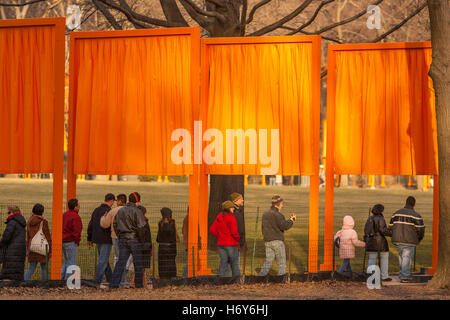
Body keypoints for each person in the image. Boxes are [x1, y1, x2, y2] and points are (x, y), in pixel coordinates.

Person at [110, 192, 147, 289]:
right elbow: (142, 227)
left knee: (120, 263)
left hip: (122, 239)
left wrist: (120, 236)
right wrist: (141, 240)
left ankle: (113, 284)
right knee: (138, 264)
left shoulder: (121, 211)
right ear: (137, 201)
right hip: (134, 240)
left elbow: (115, 224)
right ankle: (139, 286)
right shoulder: (137, 211)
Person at [389, 196, 425, 283]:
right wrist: (419, 239)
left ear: (405, 203)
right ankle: (404, 277)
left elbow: (390, 227)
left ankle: (402, 274)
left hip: (397, 239)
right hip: (410, 241)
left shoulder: (396, 213)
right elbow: (420, 230)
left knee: (402, 257)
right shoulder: (416, 216)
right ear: (414, 204)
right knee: (406, 257)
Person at [258, 196, 295, 276]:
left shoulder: (265, 214)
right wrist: (291, 220)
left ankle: (260, 277)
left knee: (268, 261)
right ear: (277, 205)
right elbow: (284, 226)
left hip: (267, 241)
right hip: (277, 241)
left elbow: (263, 227)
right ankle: (281, 280)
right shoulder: (278, 215)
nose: (282, 206)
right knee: (281, 263)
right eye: (281, 204)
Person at [100, 193, 130, 287]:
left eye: (117, 201)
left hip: (115, 237)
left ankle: (118, 281)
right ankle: (123, 280)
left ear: (120, 201)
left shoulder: (113, 211)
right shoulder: (129, 210)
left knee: (118, 258)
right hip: (127, 237)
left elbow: (105, 224)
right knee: (126, 259)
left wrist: (103, 217)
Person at [87, 193, 115, 285]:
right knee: (103, 260)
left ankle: (111, 279)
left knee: (104, 259)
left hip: (96, 238)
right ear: (111, 201)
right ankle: (97, 281)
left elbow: (90, 225)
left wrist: (89, 238)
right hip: (106, 239)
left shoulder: (96, 210)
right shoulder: (109, 211)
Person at [210, 201, 241, 277]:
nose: (233, 208)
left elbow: (212, 230)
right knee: (234, 264)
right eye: (232, 207)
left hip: (221, 244)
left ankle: (222, 281)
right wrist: (238, 239)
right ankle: (237, 280)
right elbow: (234, 232)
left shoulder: (219, 217)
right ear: (228, 208)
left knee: (223, 263)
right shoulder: (231, 217)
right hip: (231, 244)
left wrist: (220, 235)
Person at [364, 204, 392, 281]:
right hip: (380, 242)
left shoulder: (369, 218)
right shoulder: (380, 218)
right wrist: (391, 233)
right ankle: (384, 276)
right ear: (381, 210)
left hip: (370, 241)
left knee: (372, 258)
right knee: (384, 257)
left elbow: (366, 231)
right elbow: (383, 230)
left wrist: (366, 239)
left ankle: (370, 275)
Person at [24, 203, 52, 281]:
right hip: (42, 247)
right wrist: (50, 250)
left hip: (32, 247)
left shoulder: (29, 221)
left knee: (31, 269)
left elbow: (28, 235)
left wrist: (28, 248)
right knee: (44, 268)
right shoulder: (44, 222)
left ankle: (23, 283)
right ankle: (44, 284)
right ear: (42, 211)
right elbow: (47, 236)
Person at [0, 205, 27, 281]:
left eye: (8, 212)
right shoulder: (21, 222)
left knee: (9, 271)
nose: (7, 214)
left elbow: (6, 237)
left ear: (12, 213)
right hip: (20, 250)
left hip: (12, 250)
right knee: (17, 270)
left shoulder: (12, 222)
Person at [224, 192, 245, 276]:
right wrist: (241, 241)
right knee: (234, 264)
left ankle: (226, 280)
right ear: (236, 200)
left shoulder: (227, 212)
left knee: (228, 263)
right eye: (241, 199)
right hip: (233, 242)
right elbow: (239, 229)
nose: (243, 200)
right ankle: (236, 281)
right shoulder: (236, 214)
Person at [62, 198, 82, 280]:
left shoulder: (64, 214)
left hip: (63, 241)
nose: (79, 207)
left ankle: (60, 278)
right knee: (72, 263)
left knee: (67, 261)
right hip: (71, 242)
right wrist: (77, 241)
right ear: (75, 207)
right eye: (78, 205)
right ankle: (69, 281)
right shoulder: (76, 217)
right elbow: (77, 231)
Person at [156, 207, 180, 279]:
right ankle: (172, 277)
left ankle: (163, 278)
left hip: (162, 247)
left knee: (162, 264)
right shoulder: (172, 223)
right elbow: (176, 236)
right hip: (171, 247)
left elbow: (158, 238)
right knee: (171, 262)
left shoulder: (160, 223)